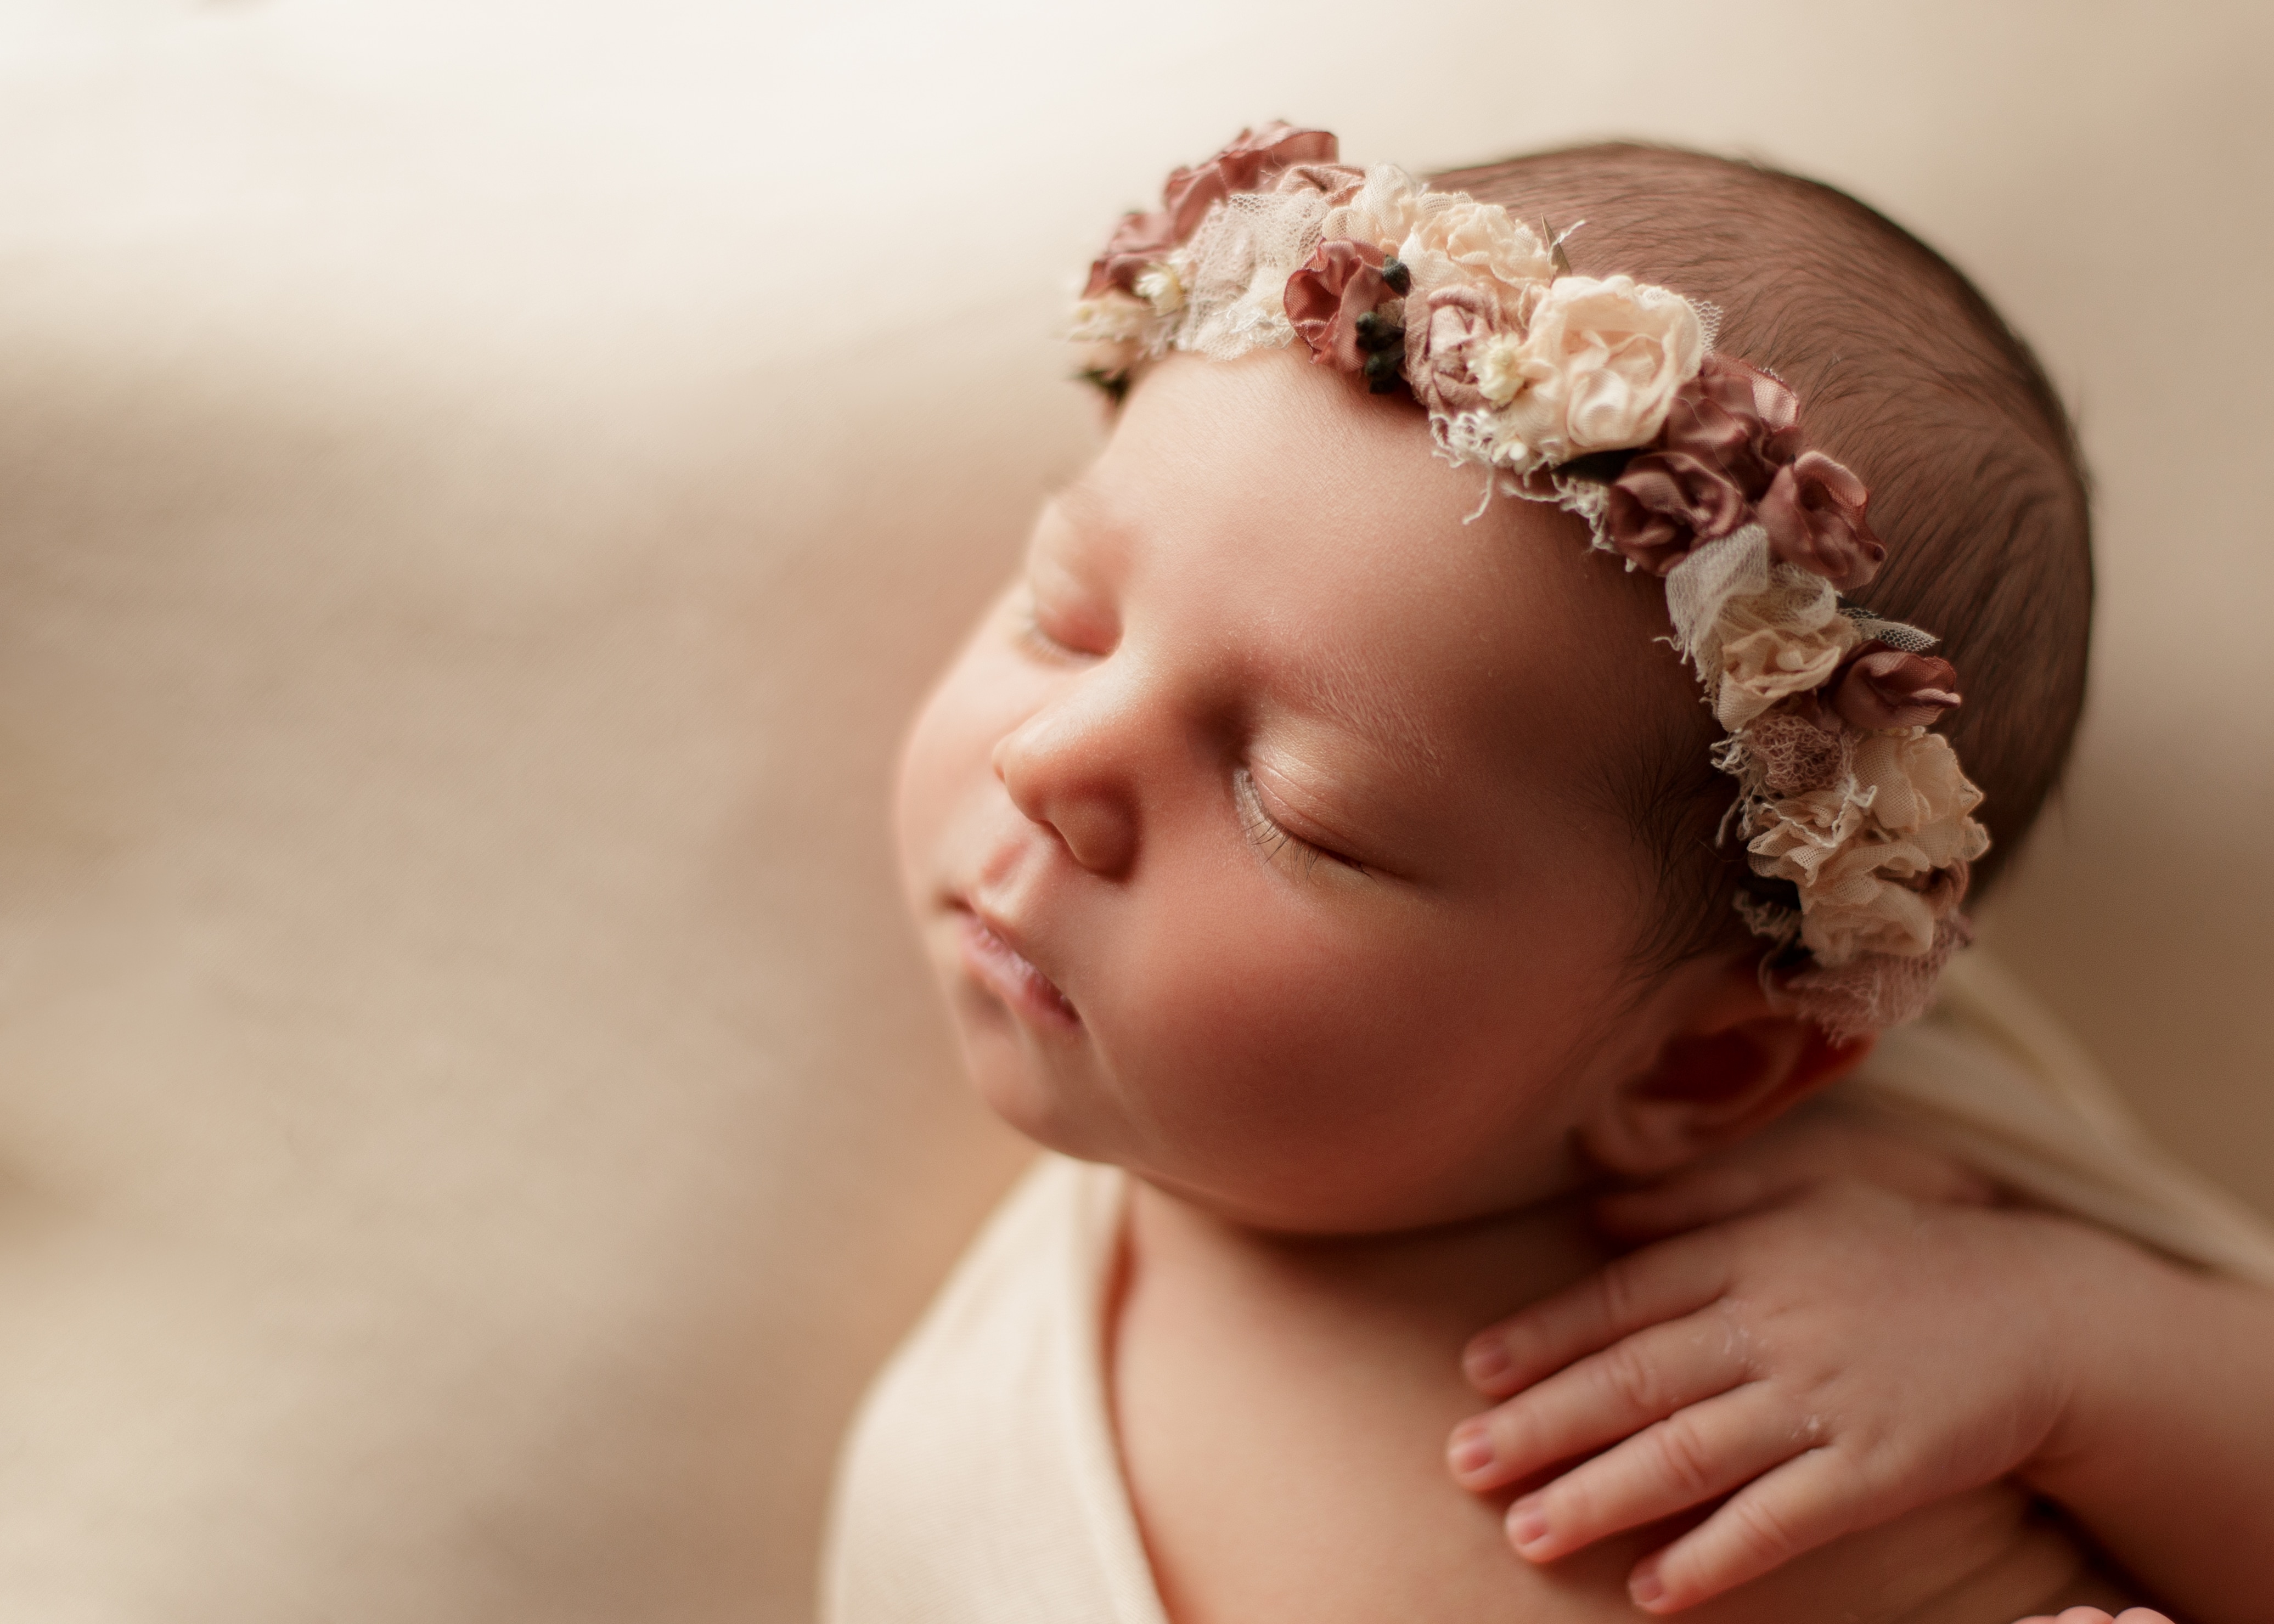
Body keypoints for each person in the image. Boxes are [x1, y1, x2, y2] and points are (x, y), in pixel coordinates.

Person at [822, 127, 2274, 1623]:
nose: (1049, 764)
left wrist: (2066, 1355)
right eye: (1067, 621)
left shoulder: (1893, 1236)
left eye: (1300, 811)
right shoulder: (968, 1480)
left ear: (1703, 1066)